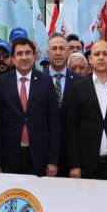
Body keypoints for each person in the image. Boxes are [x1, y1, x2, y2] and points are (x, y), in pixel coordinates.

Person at [0, 37, 60, 176]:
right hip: (9, 158)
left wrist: (53, 160)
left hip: (40, 158)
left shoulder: (46, 81)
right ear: (13, 59)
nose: (24, 57)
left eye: (28, 53)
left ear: (34, 56)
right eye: (19, 53)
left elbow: (54, 123)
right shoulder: (1, 83)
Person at [65, 40, 107, 180]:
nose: (101, 57)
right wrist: (74, 164)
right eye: (97, 54)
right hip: (86, 165)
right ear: (90, 59)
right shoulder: (77, 88)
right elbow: (71, 129)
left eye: (105, 54)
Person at [46, 33, 81, 177]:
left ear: (68, 52)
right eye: (54, 49)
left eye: (62, 48)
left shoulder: (80, 82)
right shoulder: (38, 81)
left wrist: (75, 163)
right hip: (45, 156)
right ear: (48, 53)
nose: (58, 52)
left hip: (72, 157)